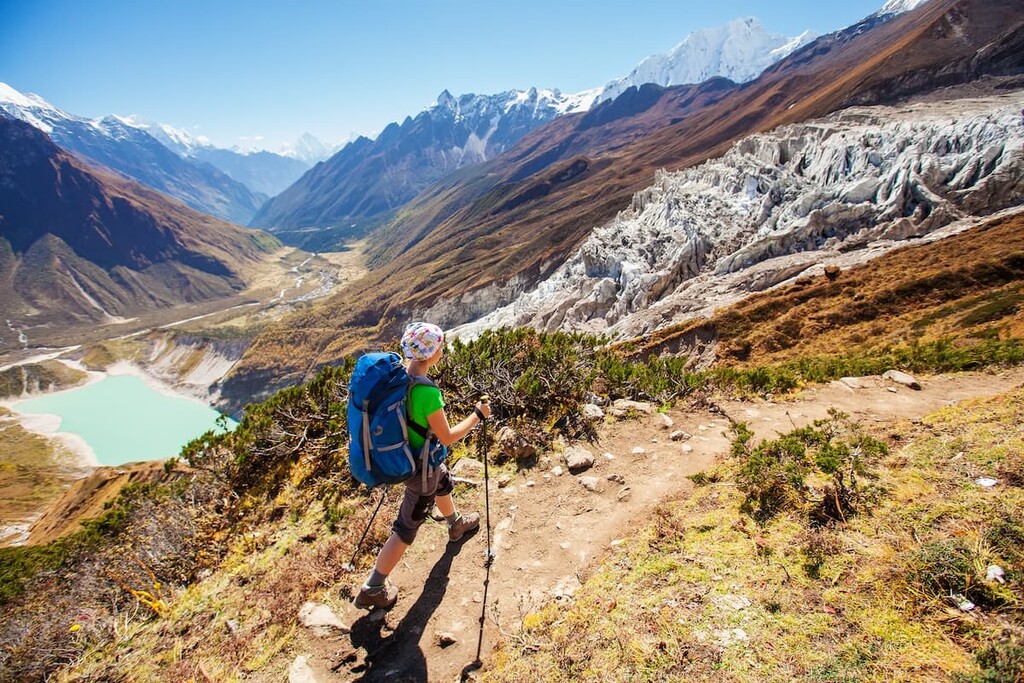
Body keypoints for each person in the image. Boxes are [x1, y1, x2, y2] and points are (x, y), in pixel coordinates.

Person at [354, 322, 492, 610]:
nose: (442, 350)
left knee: (442, 480)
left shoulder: (397, 378)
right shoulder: (427, 393)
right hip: (419, 467)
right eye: (440, 346)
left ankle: (455, 524)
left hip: (410, 457)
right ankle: (373, 587)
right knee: (406, 527)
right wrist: (477, 415)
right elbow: (448, 436)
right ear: (432, 353)